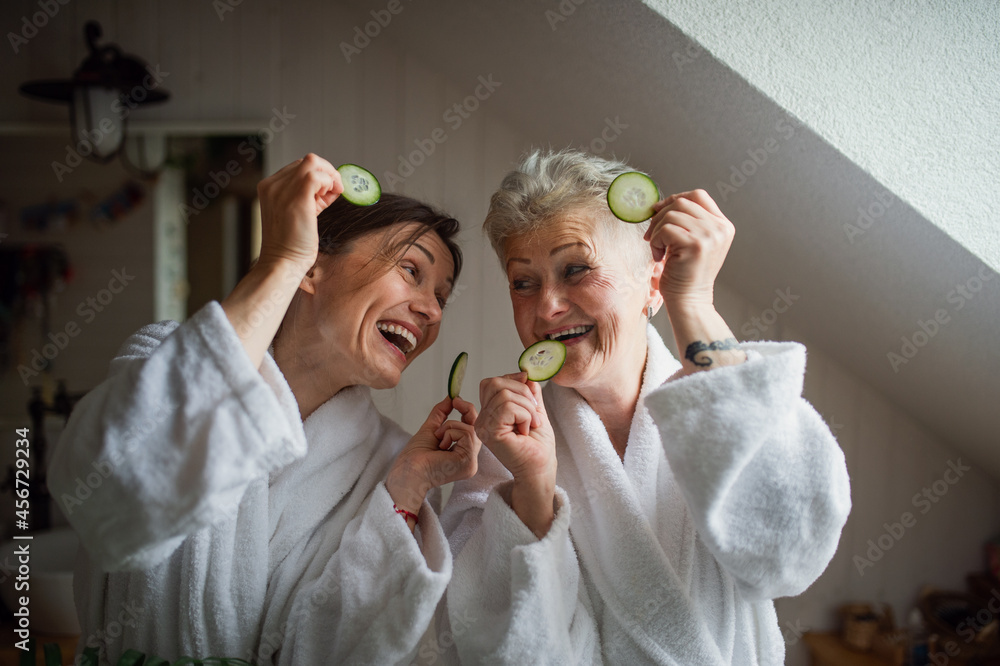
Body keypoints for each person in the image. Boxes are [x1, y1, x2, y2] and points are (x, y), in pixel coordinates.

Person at [47, 154, 482, 665]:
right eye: (411, 271)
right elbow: (115, 504)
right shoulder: (161, 355)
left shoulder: (391, 461)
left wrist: (407, 488)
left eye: (441, 298)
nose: (431, 310)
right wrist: (279, 259)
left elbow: (343, 649)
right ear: (313, 265)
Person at [435, 149, 851, 664]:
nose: (546, 307)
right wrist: (535, 486)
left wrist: (694, 302)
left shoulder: (723, 406)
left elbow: (787, 556)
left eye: (576, 269)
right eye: (524, 282)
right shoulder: (504, 450)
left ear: (652, 282)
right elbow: (493, 645)